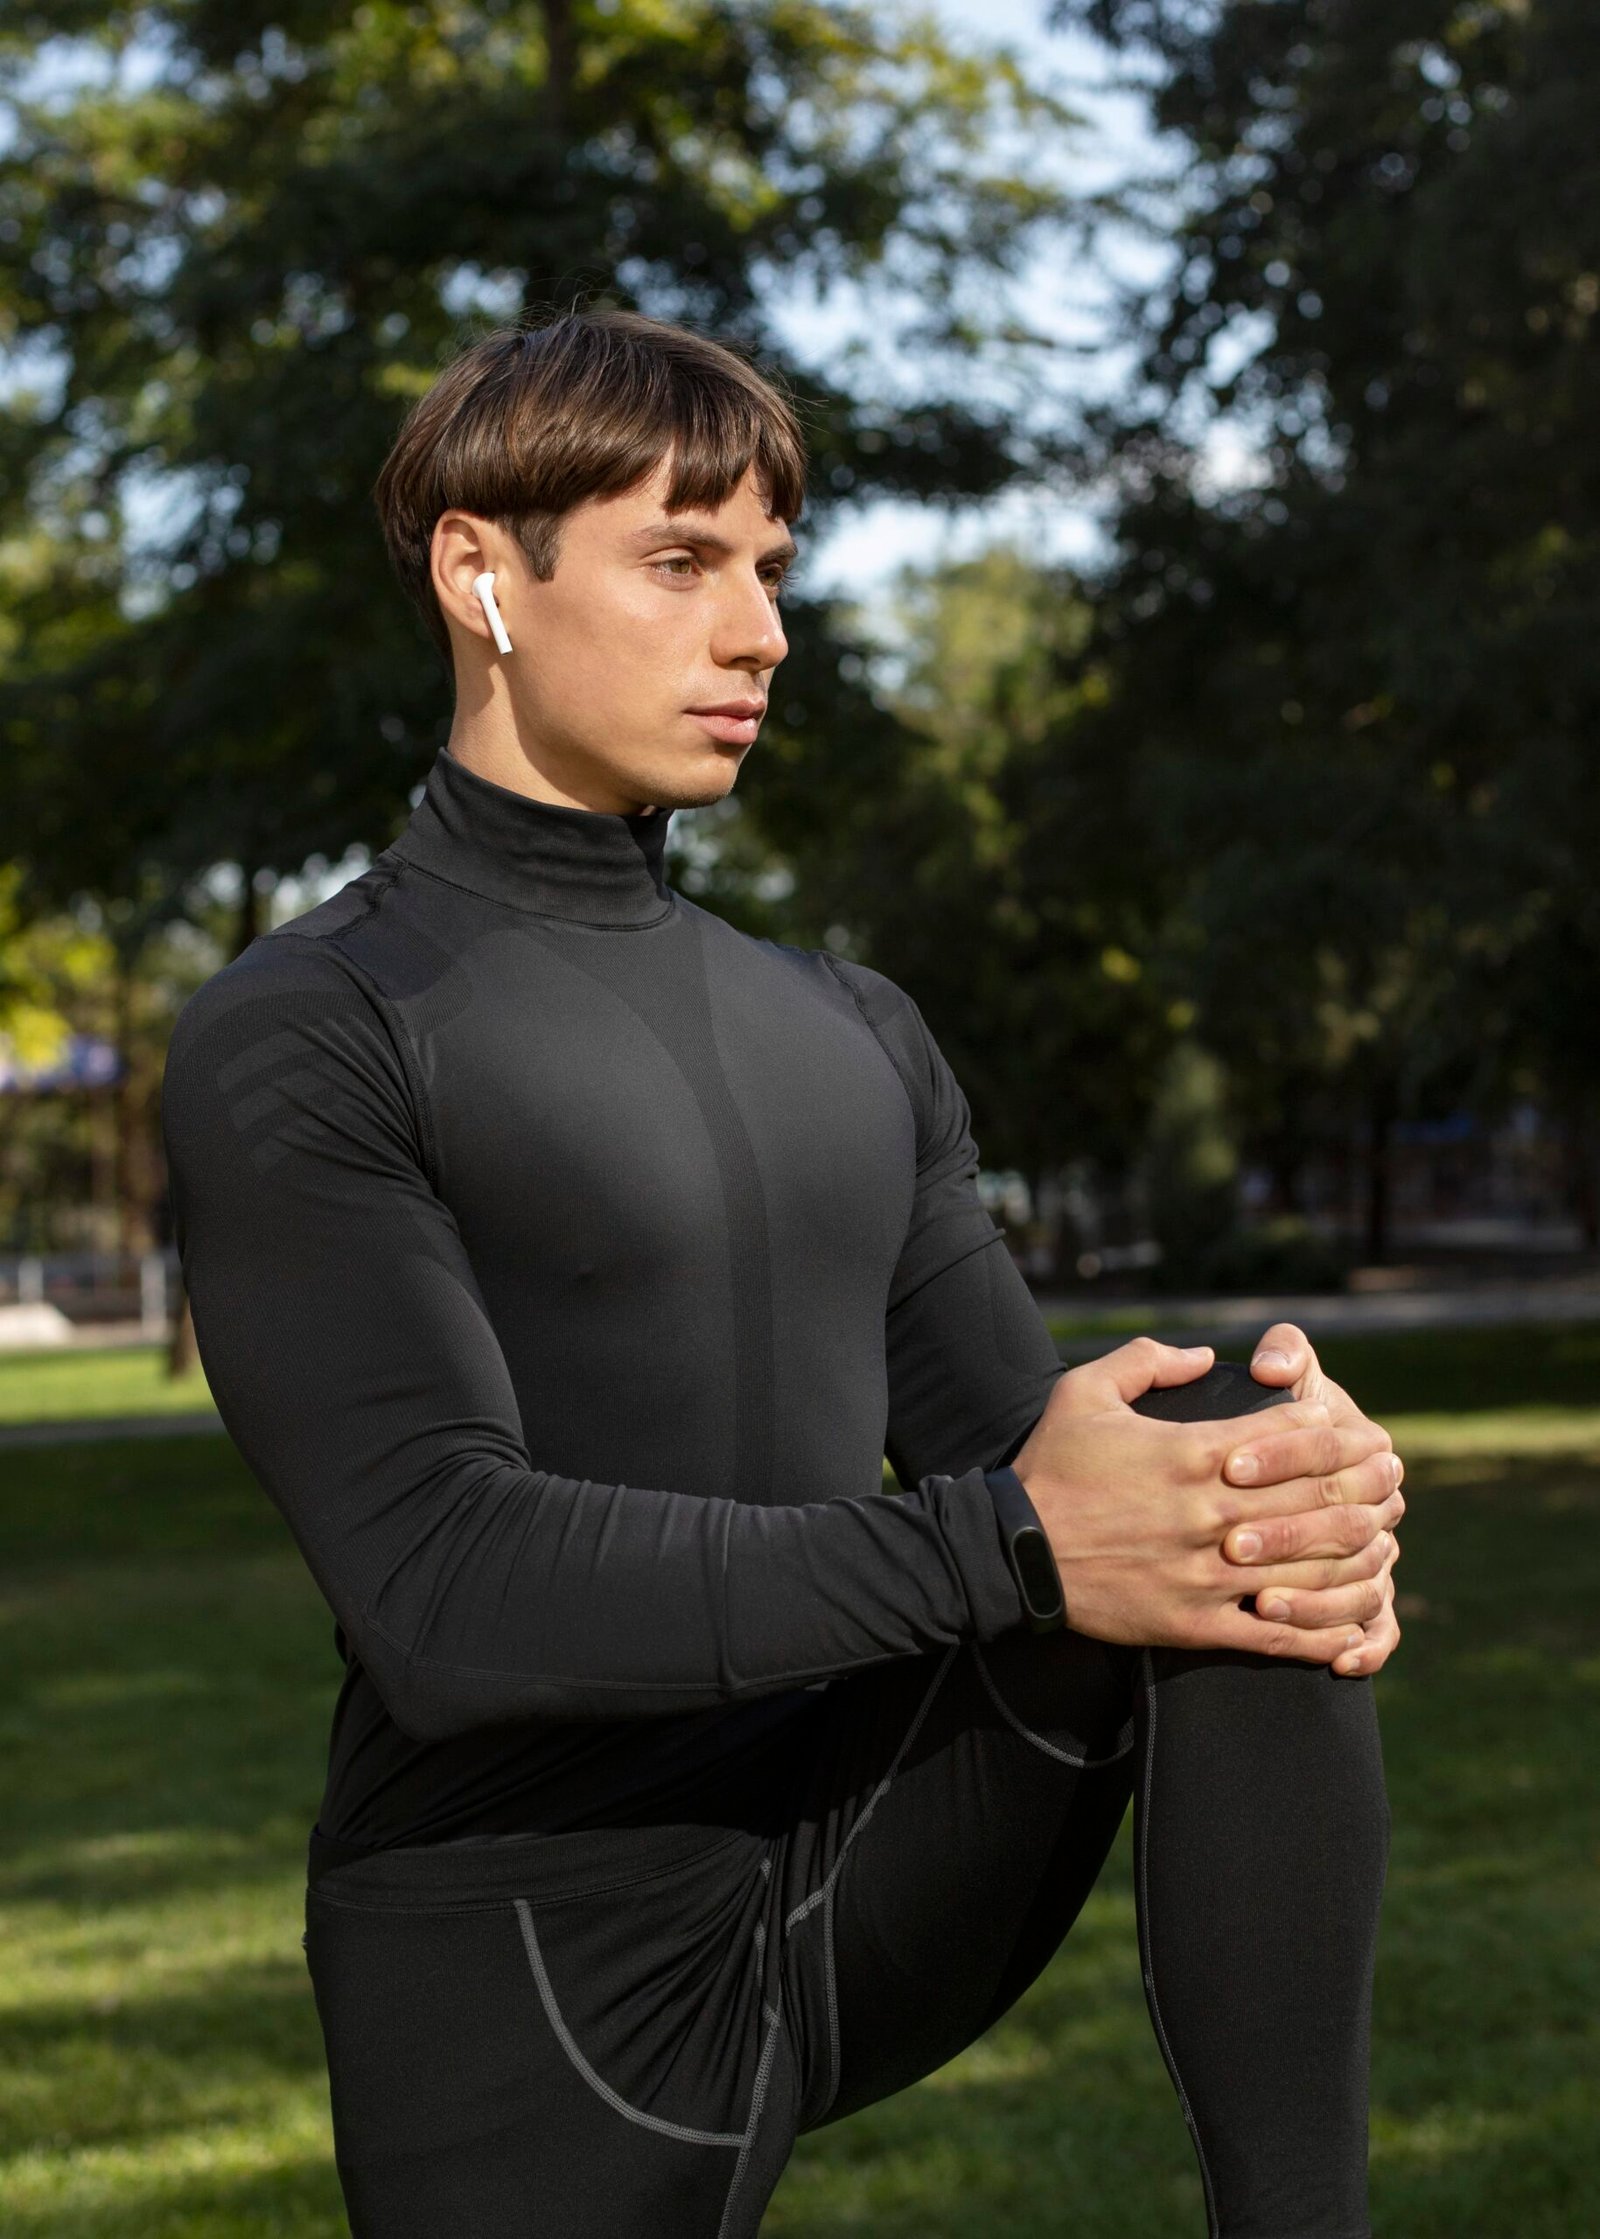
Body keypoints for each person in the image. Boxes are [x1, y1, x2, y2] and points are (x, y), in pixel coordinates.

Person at [160, 308, 1402, 2239]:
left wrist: (1286, 1501)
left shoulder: (855, 1028)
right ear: (481, 574)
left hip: (856, 1855)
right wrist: (1025, 1541)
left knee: (1231, 1461)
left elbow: (1037, 1464)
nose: (761, 635)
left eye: (769, 570)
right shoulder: (314, 1024)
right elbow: (440, 1589)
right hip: (522, 1950)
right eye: (681, 562)